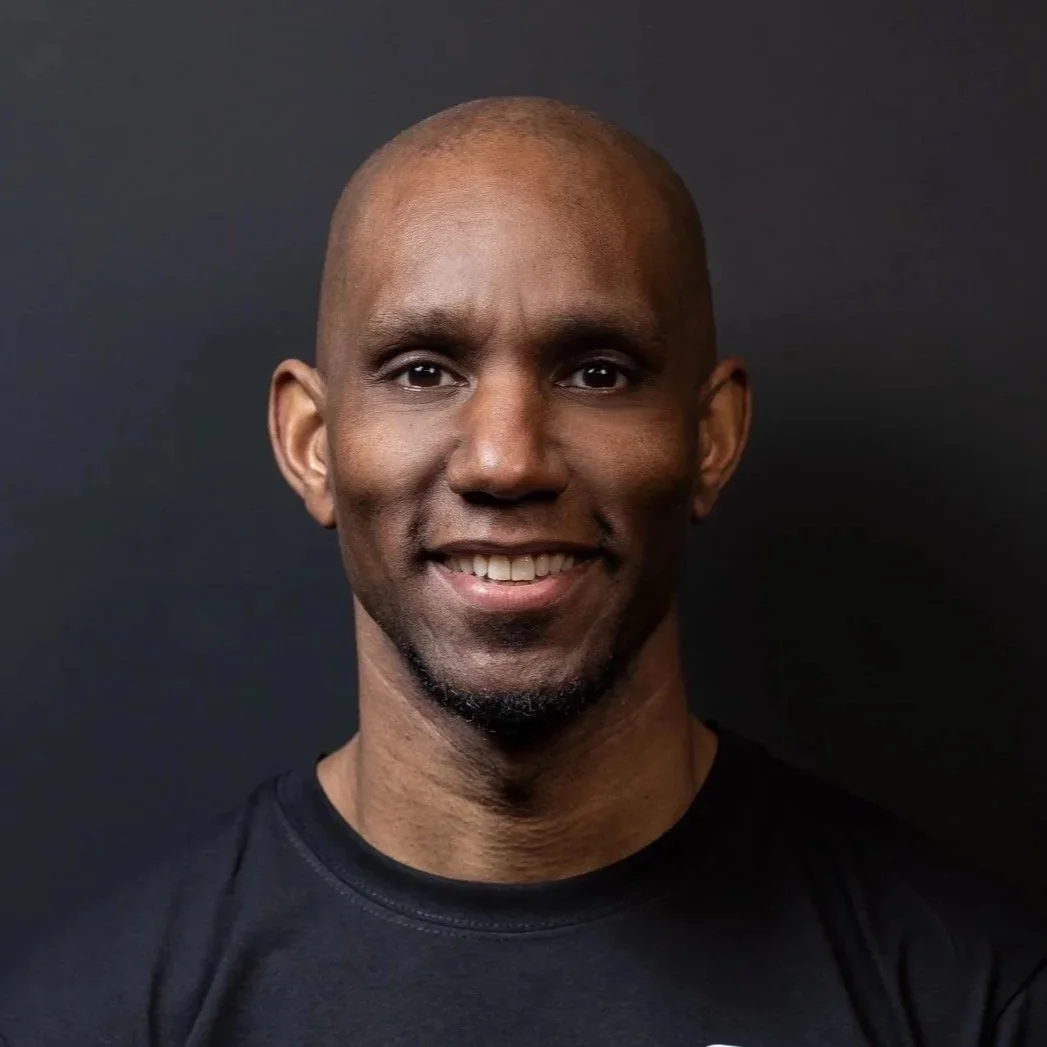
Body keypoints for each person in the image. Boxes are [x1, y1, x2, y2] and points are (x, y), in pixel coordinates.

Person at [1, 96, 1044, 1046]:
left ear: (710, 438)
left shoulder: (973, 998)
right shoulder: (100, 1016)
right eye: (423, 371)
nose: (506, 460)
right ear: (313, 443)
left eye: (598, 372)